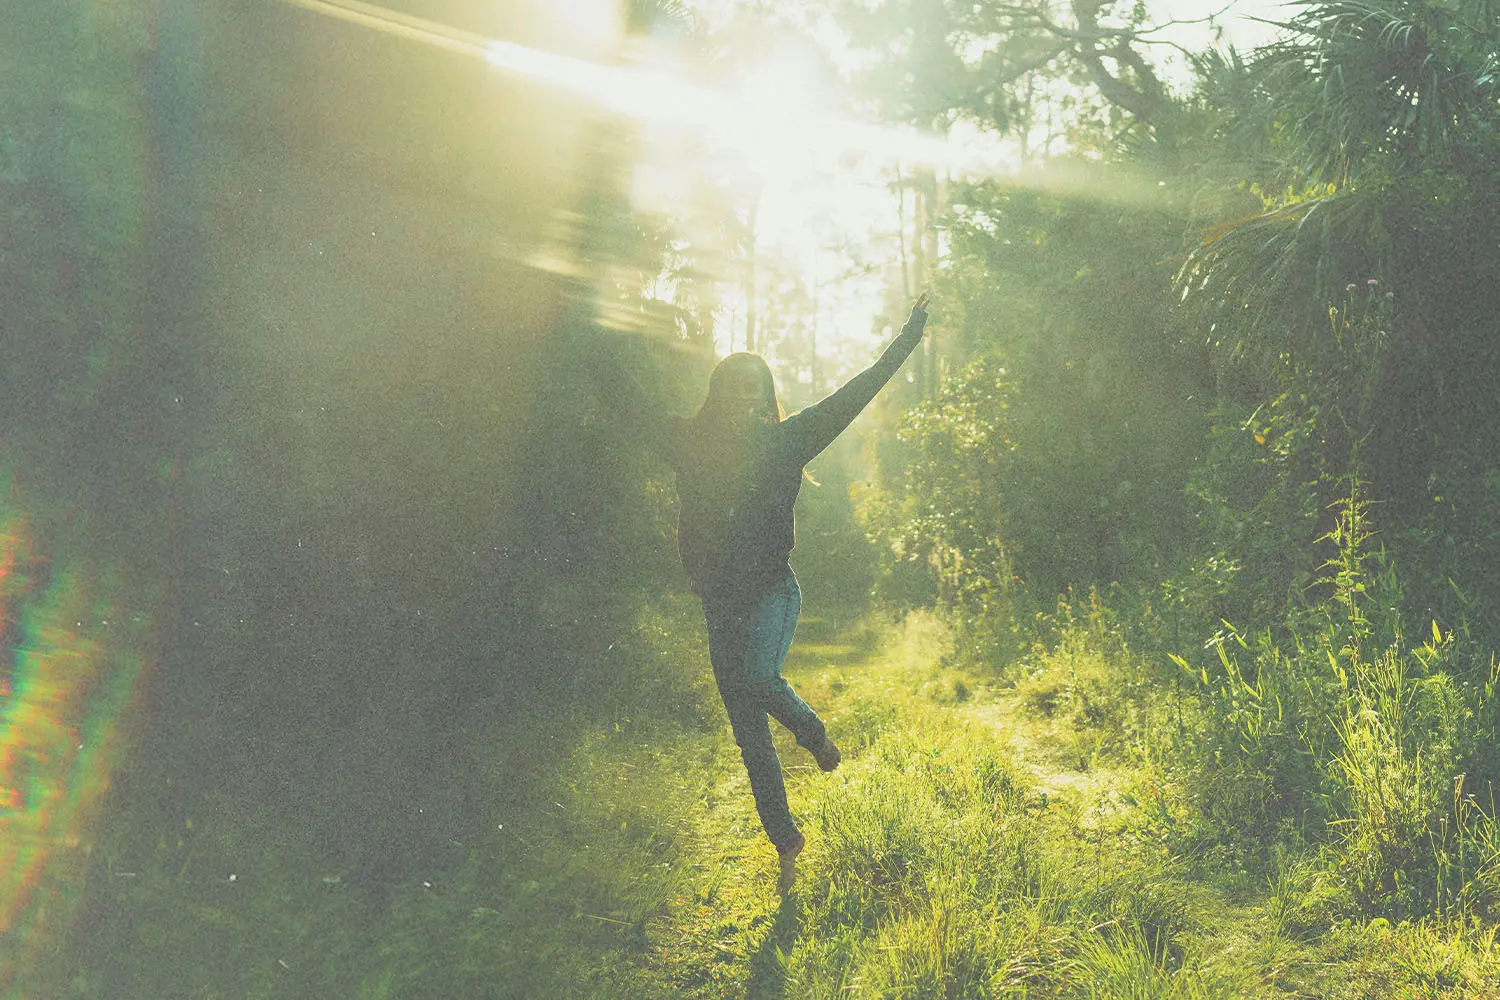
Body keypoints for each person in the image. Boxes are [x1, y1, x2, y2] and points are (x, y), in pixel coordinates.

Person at [617, 293, 930, 894]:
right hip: (720, 607)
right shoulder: (688, 443)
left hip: (772, 595)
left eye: (754, 389)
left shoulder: (788, 441)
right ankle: (785, 841)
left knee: (760, 680)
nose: (744, 398)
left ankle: (811, 731)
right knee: (747, 732)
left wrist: (909, 337)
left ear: (765, 398)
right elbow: (627, 401)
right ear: (717, 394)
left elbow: (855, 394)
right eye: (733, 388)